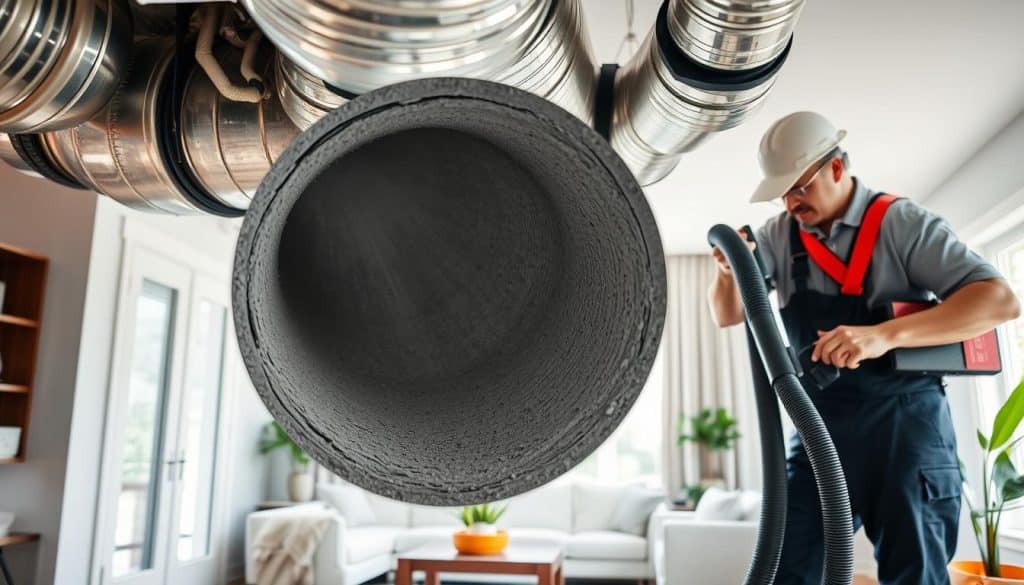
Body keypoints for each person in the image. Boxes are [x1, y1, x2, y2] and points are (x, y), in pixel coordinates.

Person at [708, 111, 1022, 585]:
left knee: (914, 573)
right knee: (787, 568)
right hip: (821, 427)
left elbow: (1000, 300)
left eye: (800, 187)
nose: (791, 201)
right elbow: (727, 314)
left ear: (836, 168)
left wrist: (881, 336)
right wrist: (730, 270)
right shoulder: (779, 235)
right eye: (783, 192)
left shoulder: (903, 224)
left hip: (906, 427)